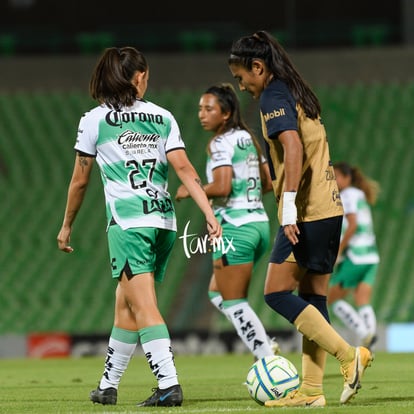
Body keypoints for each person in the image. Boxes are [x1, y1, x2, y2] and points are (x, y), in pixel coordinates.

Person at [56, 46, 221, 408]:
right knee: (126, 307)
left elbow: (80, 181)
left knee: (144, 306)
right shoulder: (163, 117)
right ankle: (108, 386)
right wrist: (207, 211)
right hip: (162, 222)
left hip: (128, 224)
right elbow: (185, 169)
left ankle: (169, 385)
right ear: (140, 76)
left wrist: (67, 225)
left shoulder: (94, 120)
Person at [227, 30, 373, 407]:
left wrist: (288, 205)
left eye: (242, 76)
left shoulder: (273, 95)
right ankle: (311, 391)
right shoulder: (296, 90)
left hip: (307, 211)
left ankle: (347, 355)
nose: (240, 85)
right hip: (330, 209)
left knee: (275, 293)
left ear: (258, 67)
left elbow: (292, 146)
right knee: (314, 299)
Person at [175, 82, 280, 360]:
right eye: (200, 108)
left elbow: (221, 186)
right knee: (216, 293)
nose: (201, 114)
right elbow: (269, 182)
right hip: (258, 224)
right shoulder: (247, 138)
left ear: (226, 113)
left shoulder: (221, 143)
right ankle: (265, 342)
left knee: (234, 301)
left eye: (209, 109)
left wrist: (192, 189)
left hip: (235, 228)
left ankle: (269, 361)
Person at [328, 162, 380, 350]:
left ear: (346, 178)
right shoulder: (360, 195)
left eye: (336, 176)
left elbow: (353, 225)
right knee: (362, 300)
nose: (333, 180)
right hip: (371, 256)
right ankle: (370, 342)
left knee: (332, 300)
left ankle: (364, 334)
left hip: (355, 256)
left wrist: (339, 250)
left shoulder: (347, 195)